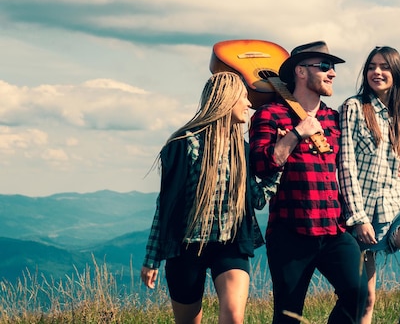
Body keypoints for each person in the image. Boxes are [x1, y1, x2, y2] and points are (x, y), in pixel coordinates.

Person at [249, 41, 368, 324]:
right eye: (325, 66)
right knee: (289, 316)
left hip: (333, 228)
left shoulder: (334, 118)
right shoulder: (269, 115)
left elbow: (350, 165)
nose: (332, 74)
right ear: (301, 72)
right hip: (291, 232)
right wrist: (297, 133)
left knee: (359, 293)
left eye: (333, 68)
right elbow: (260, 165)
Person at [141, 71, 266, 324]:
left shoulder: (241, 149)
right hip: (186, 248)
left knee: (233, 317)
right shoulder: (183, 145)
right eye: (244, 97)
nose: (249, 104)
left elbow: (257, 199)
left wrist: (280, 164)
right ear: (227, 99)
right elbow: (166, 206)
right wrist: (152, 258)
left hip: (230, 243)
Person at [338, 46, 400, 324]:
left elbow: (399, 168)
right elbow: (345, 164)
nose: (377, 72)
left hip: (398, 205)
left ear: (396, 74)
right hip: (364, 210)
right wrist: (358, 218)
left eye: (384, 67)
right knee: (365, 300)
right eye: (371, 67)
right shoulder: (353, 108)